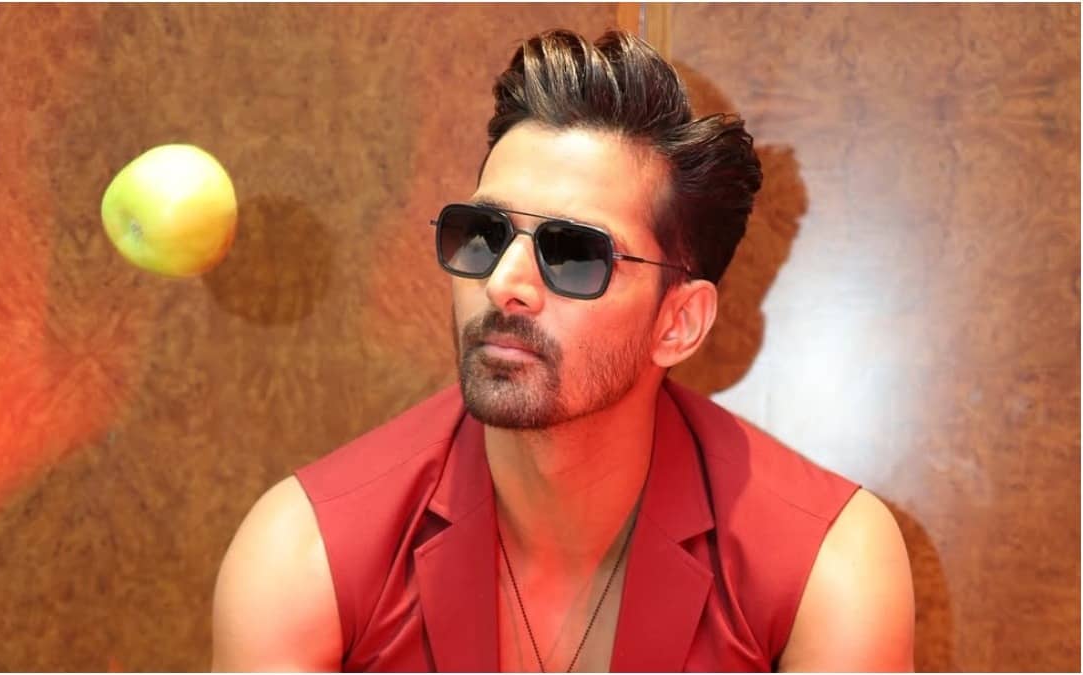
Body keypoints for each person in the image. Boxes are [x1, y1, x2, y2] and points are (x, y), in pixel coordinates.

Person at [212, 28, 914, 672]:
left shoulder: (827, 567)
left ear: (678, 322)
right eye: (485, 234)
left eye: (573, 253)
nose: (504, 283)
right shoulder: (306, 554)